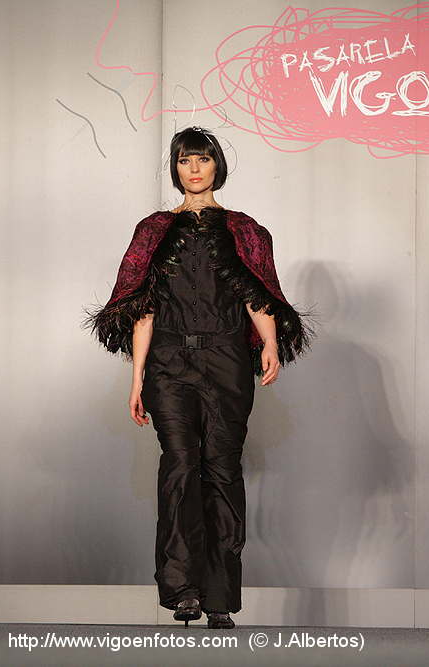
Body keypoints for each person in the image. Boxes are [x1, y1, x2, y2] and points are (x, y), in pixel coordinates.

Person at [83, 126, 315, 629]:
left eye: (203, 159)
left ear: (216, 167)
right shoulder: (153, 231)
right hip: (168, 364)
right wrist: (136, 377)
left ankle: (219, 598)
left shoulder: (243, 231)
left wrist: (270, 342)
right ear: (175, 167)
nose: (194, 168)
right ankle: (183, 591)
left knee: (222, 470)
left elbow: (255, 293)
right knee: (180, 466)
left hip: (226, 361)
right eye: (185, 160)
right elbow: (143, 308)